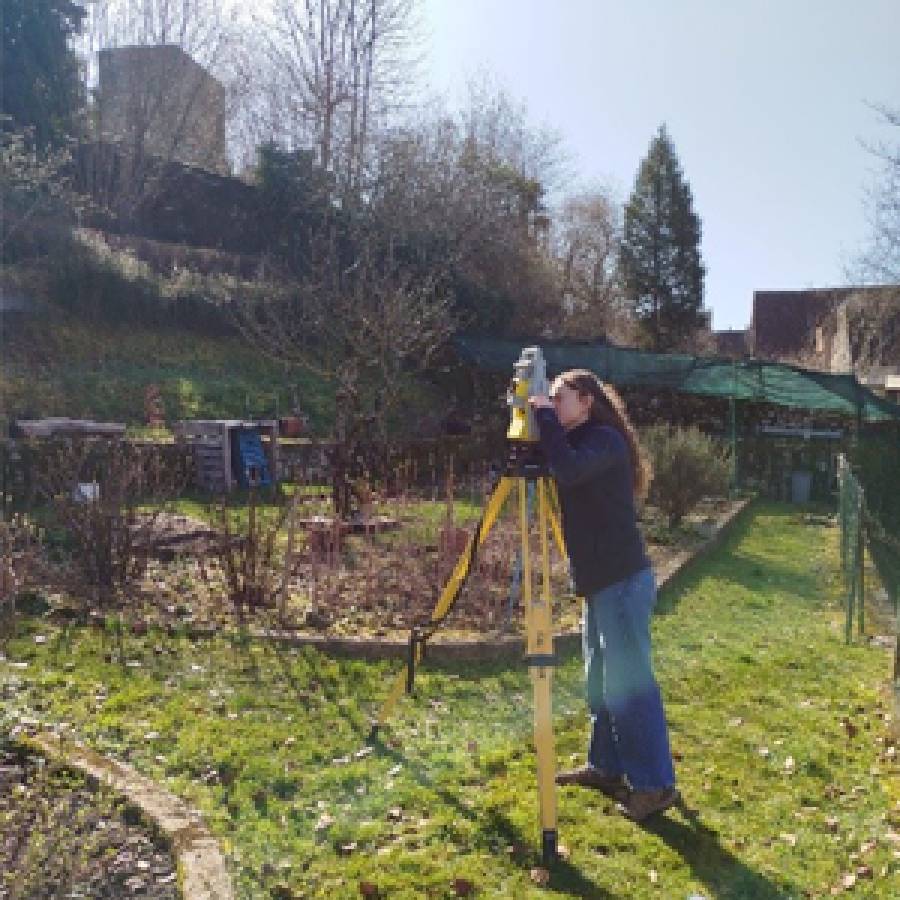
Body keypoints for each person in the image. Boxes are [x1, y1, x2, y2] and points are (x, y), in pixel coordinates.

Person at [528, 369, 679, 823]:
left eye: (559, 399)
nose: (550, 406)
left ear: (586, 401)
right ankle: (607, 766)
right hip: (600, 584)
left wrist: (544, 421)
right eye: (548, 400)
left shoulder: (605, 441)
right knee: (600, 681)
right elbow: (559, 462)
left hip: (622, 580)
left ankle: (655, 786)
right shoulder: (577, 441)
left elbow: (570, 471)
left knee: (630, 686)